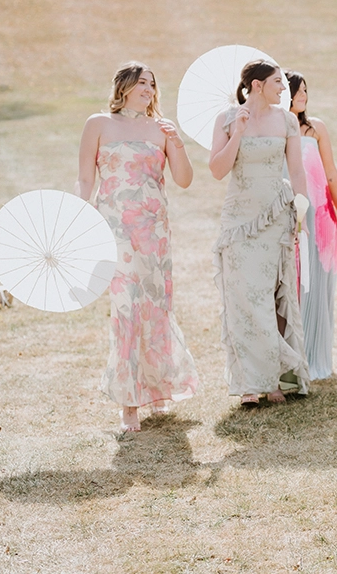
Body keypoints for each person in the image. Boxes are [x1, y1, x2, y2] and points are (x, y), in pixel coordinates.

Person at [76, 62, 199, 432]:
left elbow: (184, 179)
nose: (149, 88)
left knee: (156, 308)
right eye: (142, 82)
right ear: (124, 87)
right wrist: (79, 217)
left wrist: (176, 141)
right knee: (127, 309)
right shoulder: (97, 124)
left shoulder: (160, 128)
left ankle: (158, 388)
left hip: (154, 232)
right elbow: (85, 177)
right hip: (113, 230)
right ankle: (129, 402)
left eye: (152, 83)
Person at [209, 59, 311, 405]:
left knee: (267, 298)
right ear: (256, 85)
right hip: (239, 222)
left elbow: (296, 170)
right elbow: (217, 170)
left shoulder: (285, 120)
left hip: (274, 218)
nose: (284, 88)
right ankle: (249, 385)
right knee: (242, 300)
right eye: (278, 82)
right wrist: (237, 131)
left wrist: (302, 210)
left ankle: (272, 382)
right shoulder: (226, 118)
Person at [286, 71, 337, 381]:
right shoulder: (276, 130)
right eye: (297, 90)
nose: (303, 96)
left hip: (321, 214)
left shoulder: (316, 128)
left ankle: (317, 357)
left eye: (306, 91)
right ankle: (291, 356)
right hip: (291, 215)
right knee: (295, 282)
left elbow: (331, 171)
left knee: (319, 286)